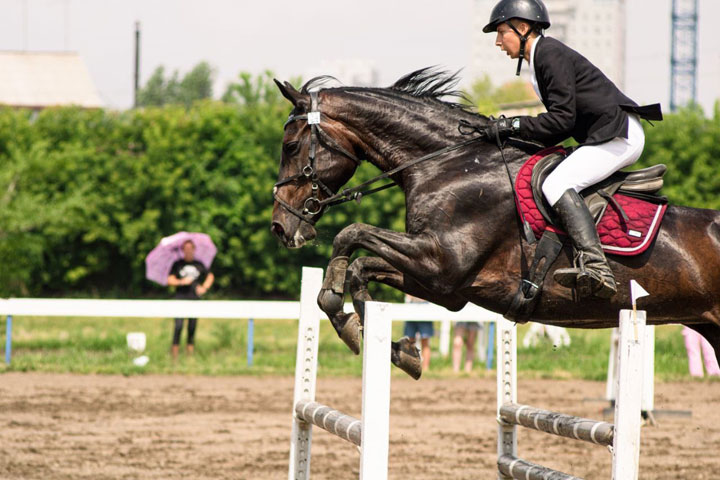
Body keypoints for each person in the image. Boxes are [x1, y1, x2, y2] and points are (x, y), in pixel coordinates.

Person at [481, 0, 662, 299]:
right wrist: (512, 134)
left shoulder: (549, 54)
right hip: (606, 134)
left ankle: (597, 267)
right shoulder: (539, 61)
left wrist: (512, 125)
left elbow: (561, 119)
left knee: (557, 183)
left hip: (618, 135)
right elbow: (562, 126)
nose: (499, 42)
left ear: (523, 28)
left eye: (502, 32)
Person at [167, 240, 214, 360]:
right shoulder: (177, 264)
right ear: (183, 250)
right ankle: (175, 358)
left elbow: (210, 276)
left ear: (193, 249)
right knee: (178, 326)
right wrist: (181, 281)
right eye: (185, 248)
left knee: (192, 327)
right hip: (180, 298)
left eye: (190, 248)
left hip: (194, 299)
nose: (188, 251)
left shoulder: (199, 264)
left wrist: (204, 288)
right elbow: (170, 280)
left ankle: (189, 358)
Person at [403, 294, 434, 371]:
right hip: (411, 304)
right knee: (410, 341)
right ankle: (410, 367)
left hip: (425, 304)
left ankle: (425, 368)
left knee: (425, 340)